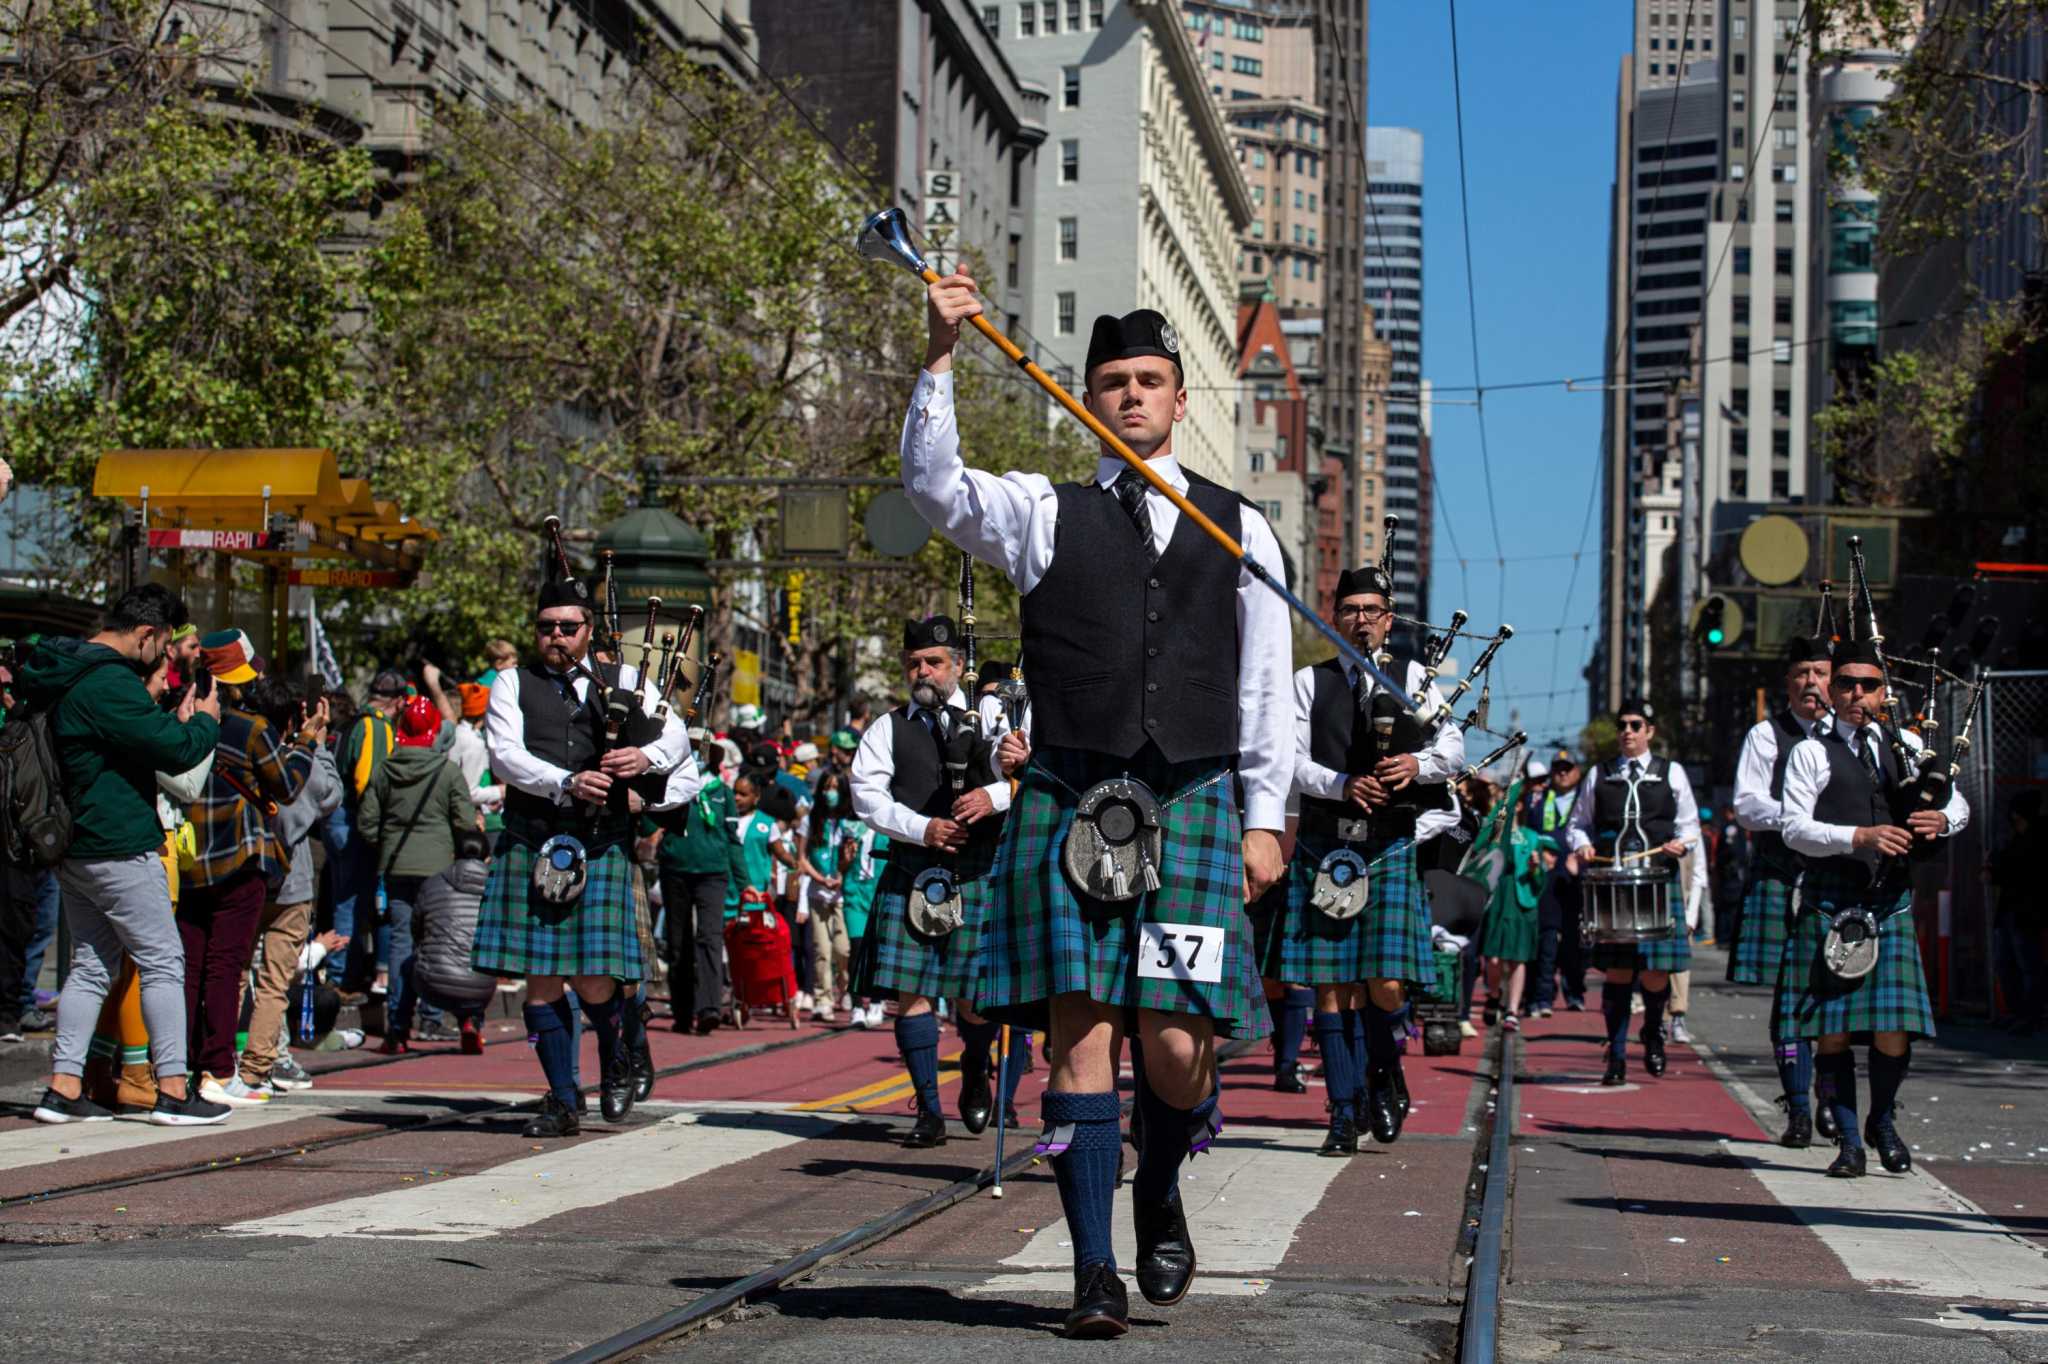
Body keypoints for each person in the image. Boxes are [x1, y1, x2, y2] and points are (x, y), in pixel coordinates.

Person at [910, 284, 1289, 1338]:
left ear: (1177, 398)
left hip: (1197, 801)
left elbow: (1262, 688)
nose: (1130, 396)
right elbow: (933, 486)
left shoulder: (1239, 522)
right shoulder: (1041, 510)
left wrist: (1265, 819)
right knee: (1082, 1039)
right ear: (1085, 400)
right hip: (1073, 803)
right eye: (1112, 383)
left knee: (1174, 1048)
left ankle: (1158, 1181)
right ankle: (1089, 1270)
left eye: (1148, 382)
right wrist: (939, 353)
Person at [472, 555, 692, 1137]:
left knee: (595, 980)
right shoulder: (510, 683)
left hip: (600, 841)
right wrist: (564, 780)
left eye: (568, 627)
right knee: (541, 982)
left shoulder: (622, 680)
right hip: (532, 837)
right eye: (546, 627)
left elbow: (676, 735)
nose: (556, 637)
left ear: (589, 629)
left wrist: (646, 757)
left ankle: (620, 1050)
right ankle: (563, 1100)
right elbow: (504, 755)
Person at [23, 585, 230, 1125]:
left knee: (92, 964)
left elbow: (129, 738)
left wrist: (166, 716)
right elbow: (176, 750)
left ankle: (64, 1087)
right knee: (163, 959)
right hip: (118, 841)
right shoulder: (109, 682)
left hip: (74, 844)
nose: (164, 658)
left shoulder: (66, 669)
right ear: (145, 634)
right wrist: (205, 718)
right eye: (163, 647)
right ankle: (172, 1089)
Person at [1275, 562, 1463, 1155]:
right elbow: (1290, 761)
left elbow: (1452, 748)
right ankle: (1342, 1109)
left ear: (1388, 620)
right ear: (1334, 618)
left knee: (1382, 983)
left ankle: (1385, 1067)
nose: (1361, 621)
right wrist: (1341, 784)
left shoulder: (1417, 679)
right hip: (1327, 844)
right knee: (1331, 986)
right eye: (1351, 610)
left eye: (1372, 612)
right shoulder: (1310, 682)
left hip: (1386, 846)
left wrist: (1415, 766)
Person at [1779, 639, 1967, 1177]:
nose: (1857, 693)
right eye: (1846, 684)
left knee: (1893, 1030)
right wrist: (1858, 834)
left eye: (1869, 684)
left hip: (1891, 902)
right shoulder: (1811, 752)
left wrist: (1943, 821)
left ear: (1885, 692)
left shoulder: (1907, 745)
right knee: (1832, 1032)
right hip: (1832, 900)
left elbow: (1957, 801)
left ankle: (1881, 1120)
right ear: (1831, 689)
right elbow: (1795, 828)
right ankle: (1849, 1147)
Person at [848, 615, 1010, 1146]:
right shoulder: (886, 728)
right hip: (912, 869)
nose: (924, 671)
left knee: (974, 1000)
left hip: (976, 872)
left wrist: (993, 796)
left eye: (935, 662)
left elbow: (1023, 778)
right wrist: (923, 828)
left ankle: (976, 1064)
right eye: (915, 662)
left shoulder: (990, 723)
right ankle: (928, 1112)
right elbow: (867, 797)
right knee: (910, 994)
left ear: (957, 668)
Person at [180, 630, 313, 1108]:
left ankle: (182, 1066)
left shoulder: (180, 715)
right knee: (226, 963)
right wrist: (307, 743)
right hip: (241, 853)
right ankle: (218, 1069)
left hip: (190, 856)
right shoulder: (250, 728)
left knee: (190, 964)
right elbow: (287, 785)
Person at [1563, 699, 1707, 1087]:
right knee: (1620, 972)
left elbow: (1690, 827)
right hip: (1614, 883)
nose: (1627, 731)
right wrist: (1582, 845)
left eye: (1635, 725)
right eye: (1622, 724)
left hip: (1658, 881)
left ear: (1650, 731)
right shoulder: (1600, 774)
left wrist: (1682, 844)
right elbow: (1577, 824)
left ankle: (1653, 1033)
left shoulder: (1671, 773)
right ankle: (1617, 1053)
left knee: (1657, 974)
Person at [1730, 638, 1835, 1146]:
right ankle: (1798, 1109)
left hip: (1840, 881)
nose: (1811, 681)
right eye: (1802, 673)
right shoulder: (1766, 735)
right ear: (1788, 682)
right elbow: (1747, 806)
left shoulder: (1855, 738)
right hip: (1782, 876)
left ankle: (1834, 1103)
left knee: (1840, 1000)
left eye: (1820, 671)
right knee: (1792, 999)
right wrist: (1796, 820)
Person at [238, 679, 342, 1096]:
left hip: (246, 872)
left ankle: (220, 1058)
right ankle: (259, 1064)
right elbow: (330, 796)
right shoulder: (304, 762)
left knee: (235, 972)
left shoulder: (247, 753)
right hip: (292, 881)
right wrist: (318, 741)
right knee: (274, 982)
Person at [360, 695, 479, 1053]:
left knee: (400, 944)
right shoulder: (447, 772)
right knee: (445, 944)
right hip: (440, 872)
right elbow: (463, 823)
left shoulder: (384, 770)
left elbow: (366, 823)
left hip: (397, 869)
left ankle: (397, 1027)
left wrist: (388, 843)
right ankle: (449, 1017)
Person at [637, 727, 741, 1034]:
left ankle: (709, 1008)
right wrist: (647, 791)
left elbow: (733, 840)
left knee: (710, 938)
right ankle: (683, 1012)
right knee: (678, 941)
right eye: (692, 748)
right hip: (676, 870)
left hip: (713, 873)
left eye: (703, 749)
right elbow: (646, 822)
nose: (698, 754)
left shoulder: (722, 792)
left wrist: (745, 881)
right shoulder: (670, 785)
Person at [328, 669, 406, 995]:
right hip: (353, 823)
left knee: (348, 900)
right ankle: (341, 976)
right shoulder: (375, 726)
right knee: (352, 902)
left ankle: (346, 971)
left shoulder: (355, 722)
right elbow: (369, 783)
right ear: (399, 702)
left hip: (339, 820)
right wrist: (379, 830)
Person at [414, 829, 497, 1053]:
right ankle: (472, 1023)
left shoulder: (432, 883)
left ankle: (398, 1030)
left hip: (433, 983)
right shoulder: (496, 888)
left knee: (406, 959)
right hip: (481, 987)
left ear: (453, 854)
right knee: (481, 963)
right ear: (487, 858)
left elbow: (417, 929)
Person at [1529, 749, 1587, 1016]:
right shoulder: (1540, 800)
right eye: (1557, 768)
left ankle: (1575, 992)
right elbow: (1530, 833)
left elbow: (1592, 834)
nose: (1562, 773)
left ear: (1577, 771)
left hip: (1576, 880)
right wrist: (1538, 856)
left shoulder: (1586, 799)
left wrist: (1582, 861)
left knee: (1575, 941)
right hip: (1548, 880)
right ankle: (1542, 996)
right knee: (1547, 939)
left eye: (1567, 767)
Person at [797, 768, 855, 1022]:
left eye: (835, 788)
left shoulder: (848, 821)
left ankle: (846, 986)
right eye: (826, 787)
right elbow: (801, 859)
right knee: (822, 948)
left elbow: (851, 856)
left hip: (842, 893)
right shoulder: (811, 820)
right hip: (817, 892)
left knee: (844, 949)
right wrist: (819, 878)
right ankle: (823, 999)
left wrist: (842, 874)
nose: (830, 793)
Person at [1990, 790, 2044, 1035]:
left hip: (2026, 910)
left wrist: (1997, 870)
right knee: (2006, 962)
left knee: (2027, 964)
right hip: (2012, 909)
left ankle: (2029, 1015)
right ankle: (2017, 1012)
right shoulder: (2016, 839)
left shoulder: (2035, 838)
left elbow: (2016, 870)